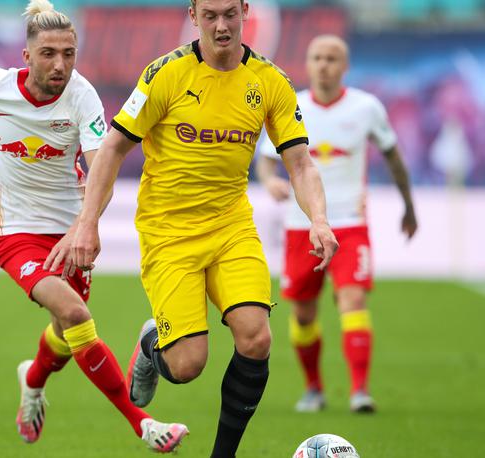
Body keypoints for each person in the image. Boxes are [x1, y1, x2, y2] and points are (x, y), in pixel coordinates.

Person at [0, 0, 188, 453]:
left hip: (70, 231)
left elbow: (100, 168)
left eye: (69, 53)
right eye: (48, 53)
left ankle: (32, 382)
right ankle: (143, 424)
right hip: (14, 233)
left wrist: (85, 227)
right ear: (26, 57)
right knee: (75, 316)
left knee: (67, 335)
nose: (60, 64)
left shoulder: (82, 95)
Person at [70, 1, 338, 456]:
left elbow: (299, 163)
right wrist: (86, 223)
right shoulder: (164, 75)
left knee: (256, 337)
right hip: (169, 231)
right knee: (188, 364)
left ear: (245, 12)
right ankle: (153, 342)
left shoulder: (270, 81)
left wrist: (318, 218)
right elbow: (113, 148)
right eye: (210, 14)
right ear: (193, 15)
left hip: (232, 226)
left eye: (230, 13)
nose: (221, 25)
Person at [256, 35, 418, 414]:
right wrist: (269, 181)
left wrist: (409, 206)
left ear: (344, 66)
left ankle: (360, 391)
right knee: (303, 314)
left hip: (350, 223)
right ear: (307, 64)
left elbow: (394, 157)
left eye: (332, 58)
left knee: (353, 300)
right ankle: (314, 388)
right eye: (317, 58)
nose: (324, 64)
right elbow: (265, 158)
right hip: (302, 226)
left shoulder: (366, 107)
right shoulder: (289, 104)